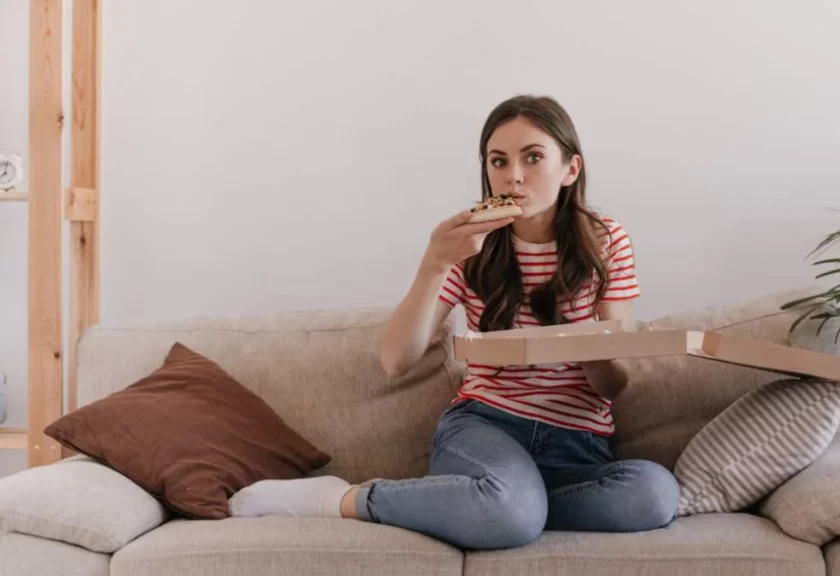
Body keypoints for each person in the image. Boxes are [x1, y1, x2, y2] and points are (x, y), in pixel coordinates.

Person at [228, 94, 680, 550]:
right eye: (498, 162)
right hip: (487, 428)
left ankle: (500, 507)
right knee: (511, 508)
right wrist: (434, 262)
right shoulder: (470, 245)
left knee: (654, 494)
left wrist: (584, 343)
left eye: (534, 157)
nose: (514, 176)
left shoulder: (606, 242)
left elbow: (613, 385)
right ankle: (347, 499)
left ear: (570, 169)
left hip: (578, 443)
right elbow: (394, 360)